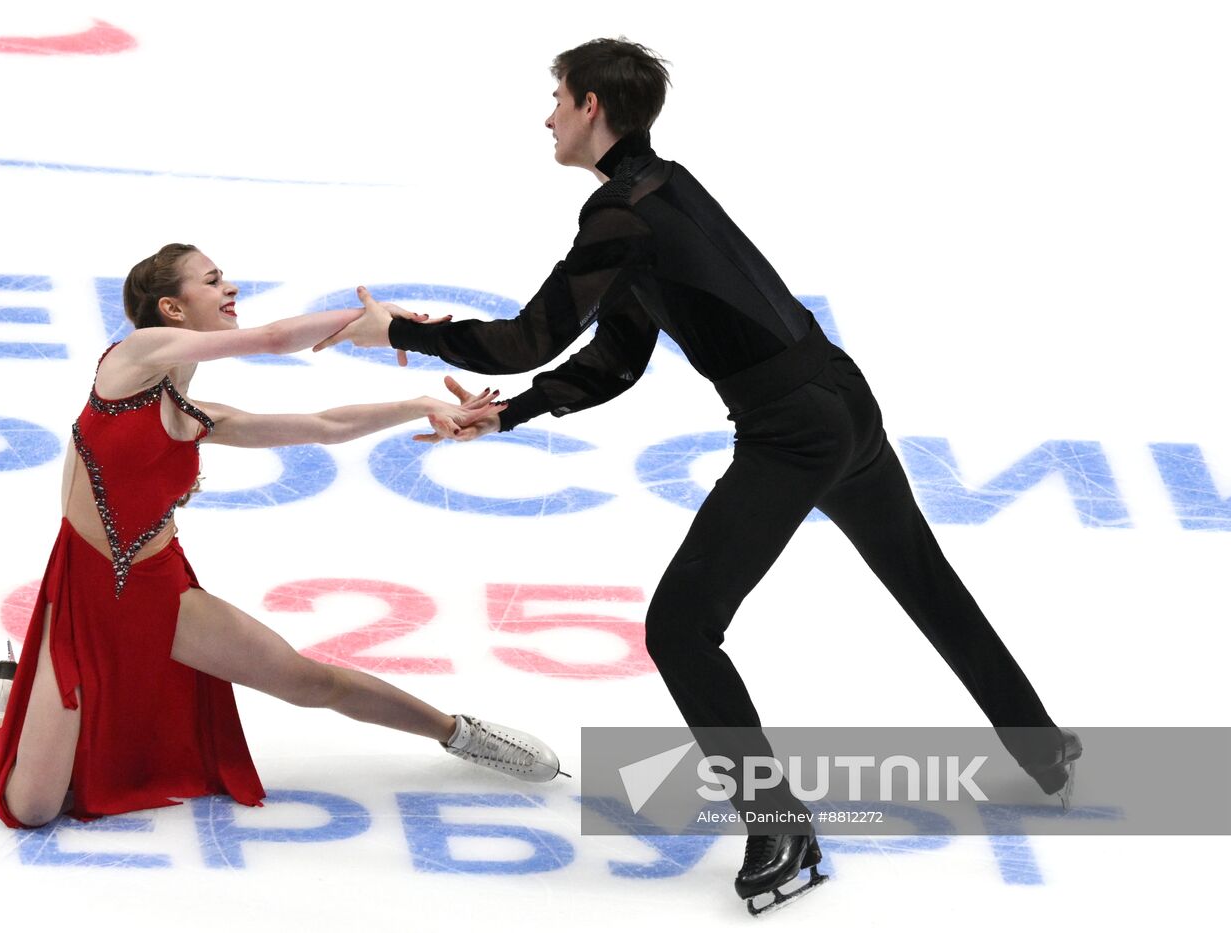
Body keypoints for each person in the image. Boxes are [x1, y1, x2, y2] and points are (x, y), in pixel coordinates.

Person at [313, 39, 1082, 913]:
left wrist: (403, 332)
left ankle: (779, 822)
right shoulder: (660, 192)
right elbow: (615, 359)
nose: (549, 116)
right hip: (839, 397)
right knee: (921, 578)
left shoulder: (621, 217)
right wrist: (512, 412)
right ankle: (1044, 747)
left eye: (558, 99)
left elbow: (530, 338)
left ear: (593, 106)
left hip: (793, 429)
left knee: (680, 629)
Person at [0, 243, 563, 830]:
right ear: (172, 308)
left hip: (159, 591)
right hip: (87, 595)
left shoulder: (192, 413)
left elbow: (324, 427)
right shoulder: (133, 357)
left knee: (309, 681)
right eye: (212, 281)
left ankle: (460, 733)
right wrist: (391, 326)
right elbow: (274, 337)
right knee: (32, 807)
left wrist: (417, 404)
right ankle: (4, 711)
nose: (230, 289)